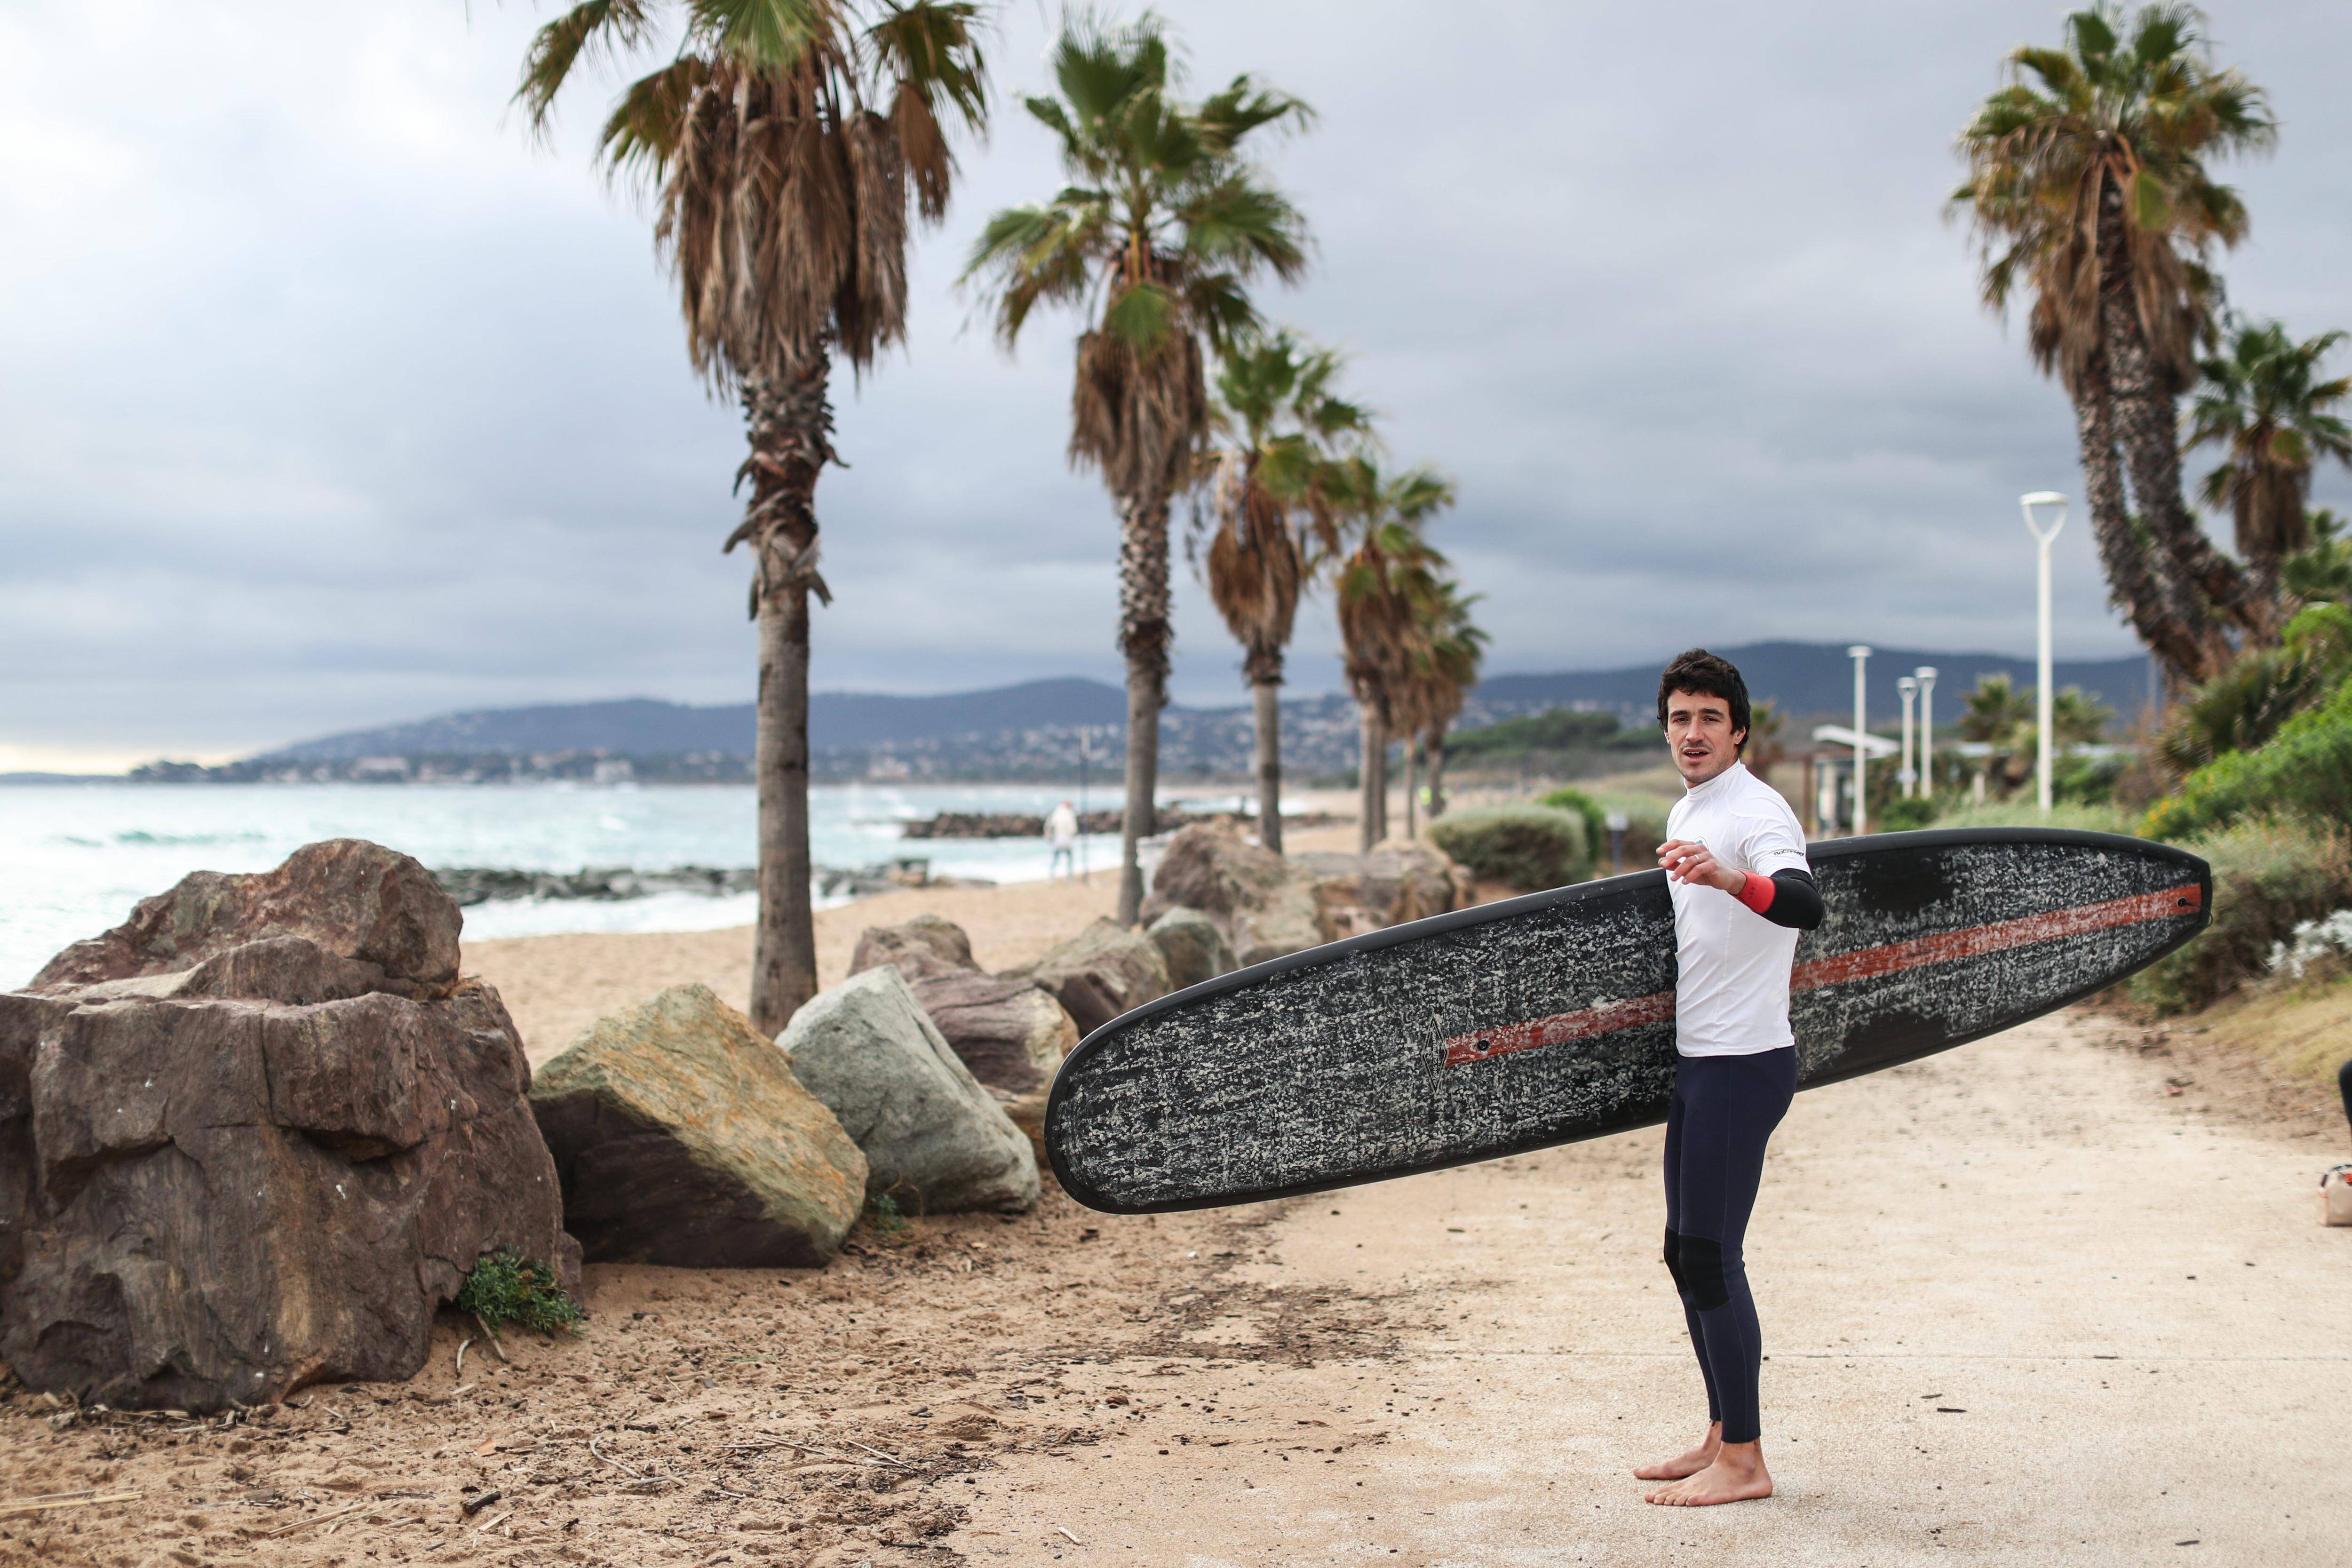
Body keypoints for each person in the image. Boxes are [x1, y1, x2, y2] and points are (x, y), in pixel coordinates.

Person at [1636, 648, 1824, 1507]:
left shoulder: (1754, 810)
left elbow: (1801, 899)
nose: (1694, 731)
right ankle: (1720, 1432)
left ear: (1740, 730)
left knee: (1714, 1256)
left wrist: (1727, 874)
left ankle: (1746, 1460)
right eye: (1681, 717)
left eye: (1710, 716)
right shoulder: (1691, 805)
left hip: (1744, 1061)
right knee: (1685, 1253)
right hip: (1700, 1056)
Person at [1045, 799, 1080, 881]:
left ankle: (1051, 878)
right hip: (1067, 840)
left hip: (1058, 839)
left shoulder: (1056, 813)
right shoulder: (1070, 814)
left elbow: (1049, 826)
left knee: (1055, 859)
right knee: (1069, 859)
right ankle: (1069, 878)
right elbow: (1074, 830)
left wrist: (1050, 838)